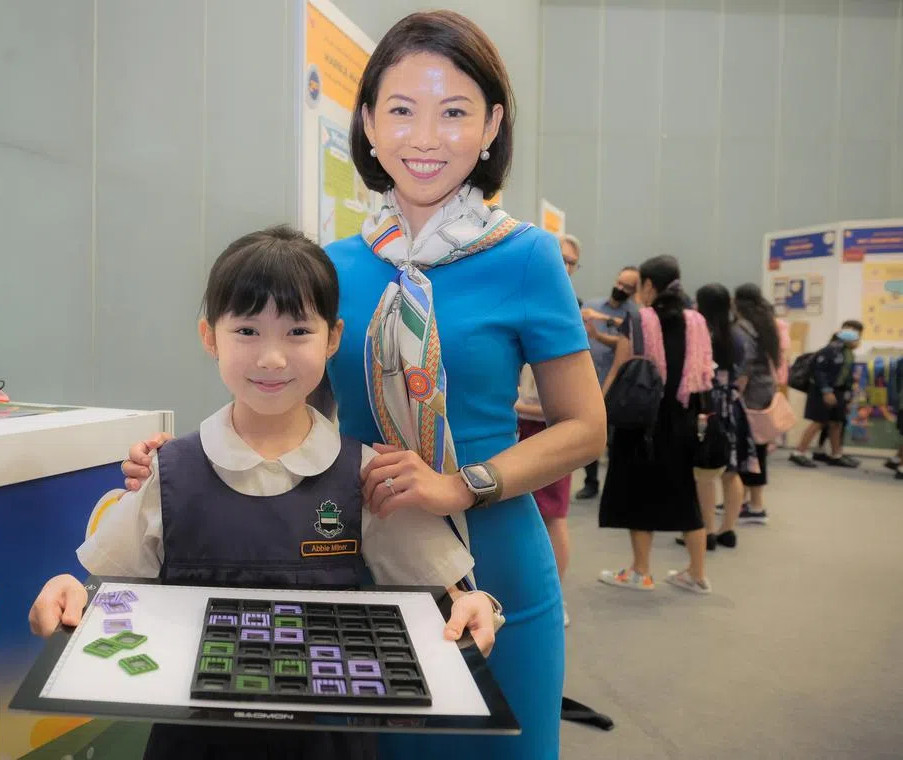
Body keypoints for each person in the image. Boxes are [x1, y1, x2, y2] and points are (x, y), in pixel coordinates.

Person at [123, 12, 607, 759]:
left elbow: (585, 428)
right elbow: (286, 402)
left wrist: (460, 486)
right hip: (358, 560)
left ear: (492, 126)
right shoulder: (333, 266)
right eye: (402, 111)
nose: (425, 137)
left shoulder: (528, 257)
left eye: (455, 113)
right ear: (370, 126)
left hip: (499, 561)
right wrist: (189, 464)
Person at [31, 228, 501, 760]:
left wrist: (472, 604)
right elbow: (106, 591)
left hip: (327, 742)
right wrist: (70, 593)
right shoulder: (170, 471)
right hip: (192, 740)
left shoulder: (364, 475)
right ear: (210, 337)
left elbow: (443, 595)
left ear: (332, 337)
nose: (272, 358)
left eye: (298, 330)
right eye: (248, 330)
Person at [598, 255, 714, 594]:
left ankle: (641, 571)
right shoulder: (696, 321)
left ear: (649, 285)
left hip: (641, 421)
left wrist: (601, 407)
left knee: (637, 493)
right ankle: (697, 574)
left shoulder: (638, 319)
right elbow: (705, 372)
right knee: (685, 494)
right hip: (682, 419)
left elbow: (621, 366)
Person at [690, 283, 755, 549]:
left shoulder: (703, 334)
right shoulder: (739, 335)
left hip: (709, 404)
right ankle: (729, 529)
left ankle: (707, 533)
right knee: (732, 470)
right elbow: (743, 375)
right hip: (734, 405)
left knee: (705, 473)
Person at [576, 266, 641, 499]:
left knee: (614, 438)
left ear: (635, 291)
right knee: (586, 433)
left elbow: (628, 345)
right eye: (619, 282)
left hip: (617, 385)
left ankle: (615, 486)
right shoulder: (591, 306)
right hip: (587, 379)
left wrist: (601, 331)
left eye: (627, 287)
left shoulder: (634, 315)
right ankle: (590, 481)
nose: (620, 288)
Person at [515, 365, 571, 627]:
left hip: (545, 435)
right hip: (534, 431)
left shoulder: (556, 349)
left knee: (553, 516)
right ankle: (550, 595)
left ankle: (556, 597)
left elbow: (561, 410)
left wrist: (516, 405)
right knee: (543, 515)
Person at [733, 284, 785, 523]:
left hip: (750, 394)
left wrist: (735, 392)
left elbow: (744, 366)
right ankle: (745, 499)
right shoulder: (767, 323)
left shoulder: (743, 328)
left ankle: (755, 506)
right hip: (764, 390)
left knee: (749, 449)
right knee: (758, 447)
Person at [790, 320, 864, 468]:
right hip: (823, 391)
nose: (857, 339)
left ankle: (836, 454)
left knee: (836, 423)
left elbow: (846, 375)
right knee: (818, 421)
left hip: (839, 391)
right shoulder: (831, 349)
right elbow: (819, 371)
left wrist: (848, 395)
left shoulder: (848, 352)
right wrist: (826, 391)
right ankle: (798, 452)